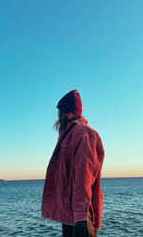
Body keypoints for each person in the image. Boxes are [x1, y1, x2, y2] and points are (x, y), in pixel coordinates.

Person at [41, 90, 105, 237]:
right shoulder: (69, 135)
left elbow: (84, 176)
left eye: (59, 113)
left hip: (81, 217)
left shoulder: (83, 133)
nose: (57, 117)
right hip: (72, 216)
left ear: (66, 114)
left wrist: (82, 218)